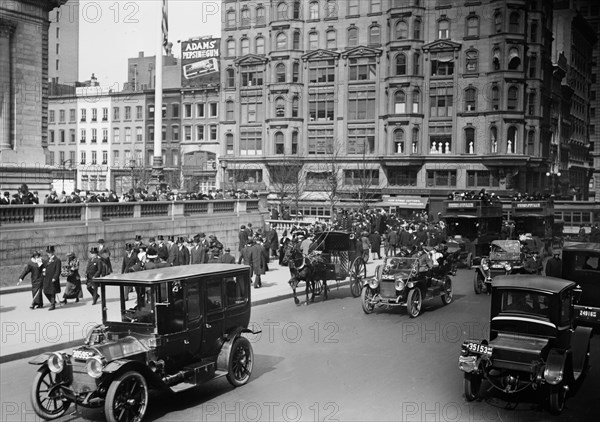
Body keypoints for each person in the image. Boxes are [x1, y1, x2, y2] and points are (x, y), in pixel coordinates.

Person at [42, 246, 61, 310]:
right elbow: (44, 267)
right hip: (47, 278)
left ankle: (52, 305)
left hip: (53, 278)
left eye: (50, 252)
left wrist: (55, 277)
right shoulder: (47, 260)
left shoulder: (57, 260)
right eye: (48, 252)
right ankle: (53, 302)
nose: (48, 254)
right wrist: (43, 272)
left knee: (52, 292)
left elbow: (58, 270)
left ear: (53, 252)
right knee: (45, 291)